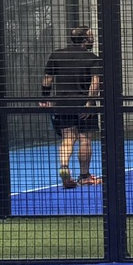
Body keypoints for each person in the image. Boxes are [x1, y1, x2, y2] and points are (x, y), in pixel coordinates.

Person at [40, 25, 102, 188]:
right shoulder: (93, 58)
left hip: (63, 103)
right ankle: (85, 176)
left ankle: (64, 169)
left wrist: (44, 98)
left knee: (67, 138)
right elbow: (95, 83)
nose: (93, 39)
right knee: (85, 139)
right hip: (82, 103)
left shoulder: (56, 55)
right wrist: (89, 103)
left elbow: (47, 79)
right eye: (91, 37)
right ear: (85, 40)